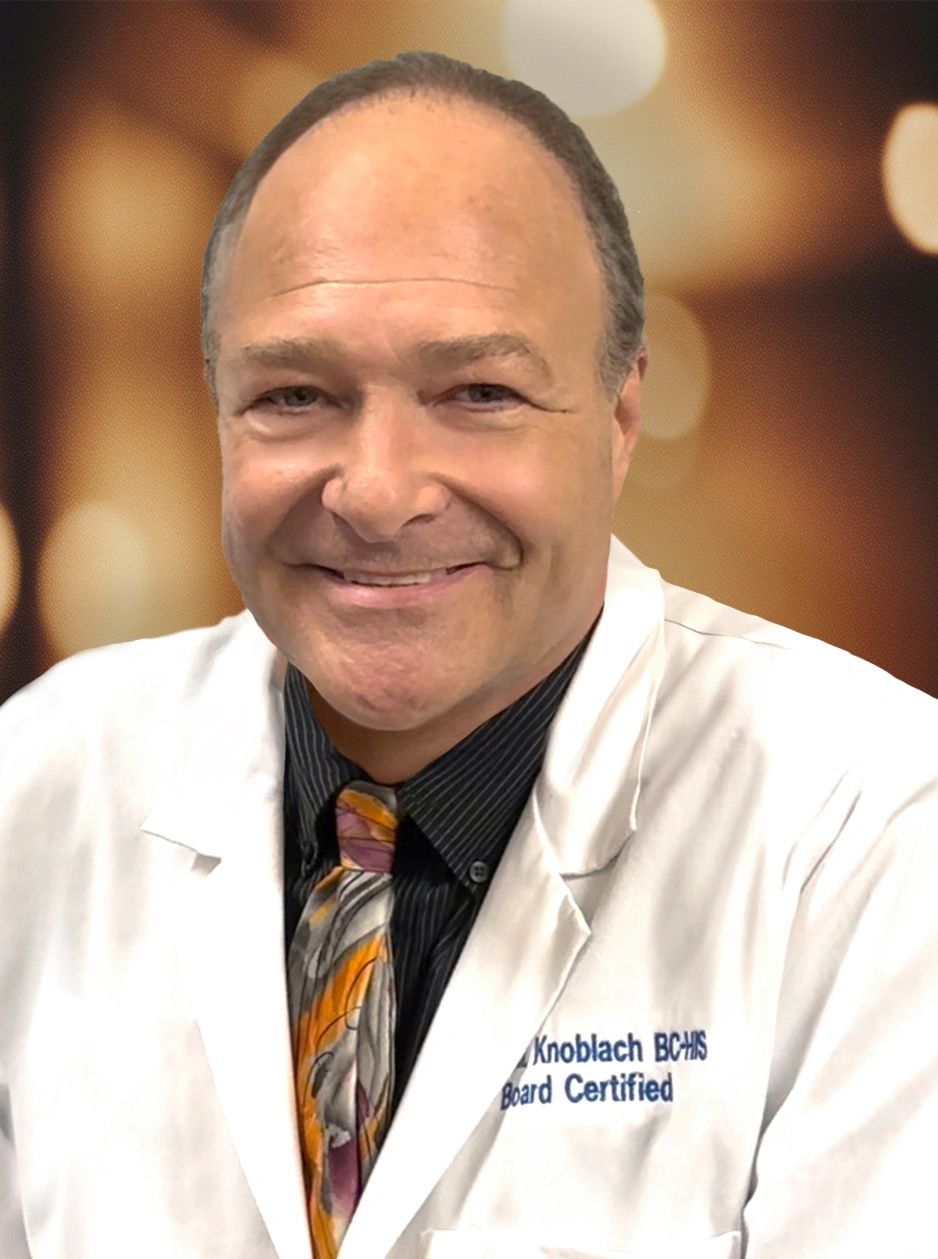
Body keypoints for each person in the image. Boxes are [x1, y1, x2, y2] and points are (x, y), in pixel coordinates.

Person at [1, 49, 936, 1259]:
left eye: (480, 390)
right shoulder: (34, 785)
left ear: (617, 415)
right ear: (216, 405)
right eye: (294, 394)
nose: (379, 492)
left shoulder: (869, 829)